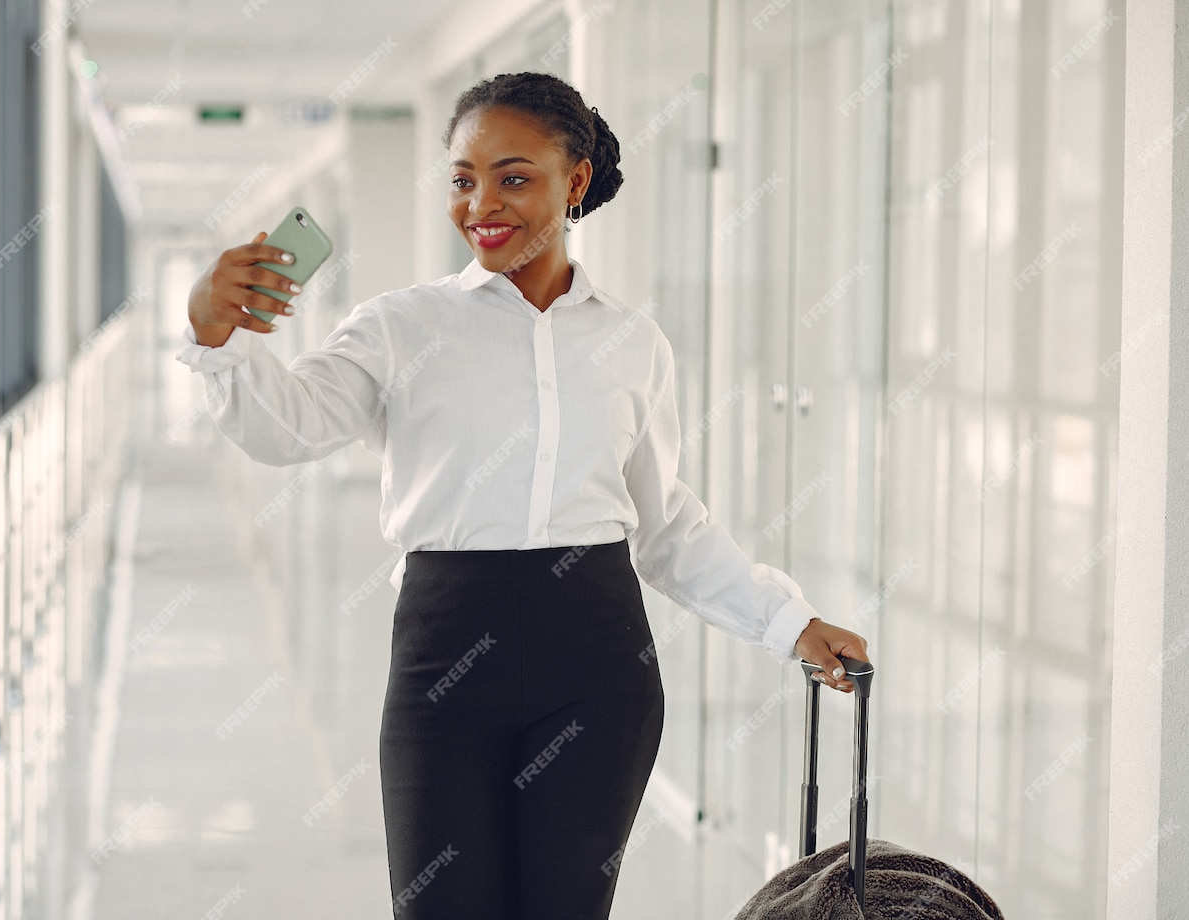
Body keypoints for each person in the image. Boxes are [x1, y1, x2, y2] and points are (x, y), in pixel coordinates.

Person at [179, 71, 869, 920]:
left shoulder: (631, 342)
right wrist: (218, 339)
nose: (481, 205)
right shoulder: (402, 326)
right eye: (464, 180)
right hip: (445, 663)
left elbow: (665, 526)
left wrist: (787, 622)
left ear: (574, 182)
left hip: (598, 663)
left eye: (514, 176)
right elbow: (285, 429)